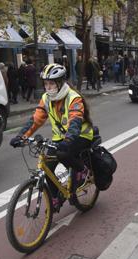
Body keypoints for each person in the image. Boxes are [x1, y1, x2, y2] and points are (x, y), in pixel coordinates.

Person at [9, 63, 95, 211]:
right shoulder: (46, 98)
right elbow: (36, 119)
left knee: (63, 153)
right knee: (47, 167)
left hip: (80, 135)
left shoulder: (73, 98)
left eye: (51, 83)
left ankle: (82, 170)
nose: (48, 87)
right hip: (60, 138)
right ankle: (56, 197)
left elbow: (74, 122)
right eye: (46, 83)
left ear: (61, 83)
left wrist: (68, 140)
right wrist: (21, 136)